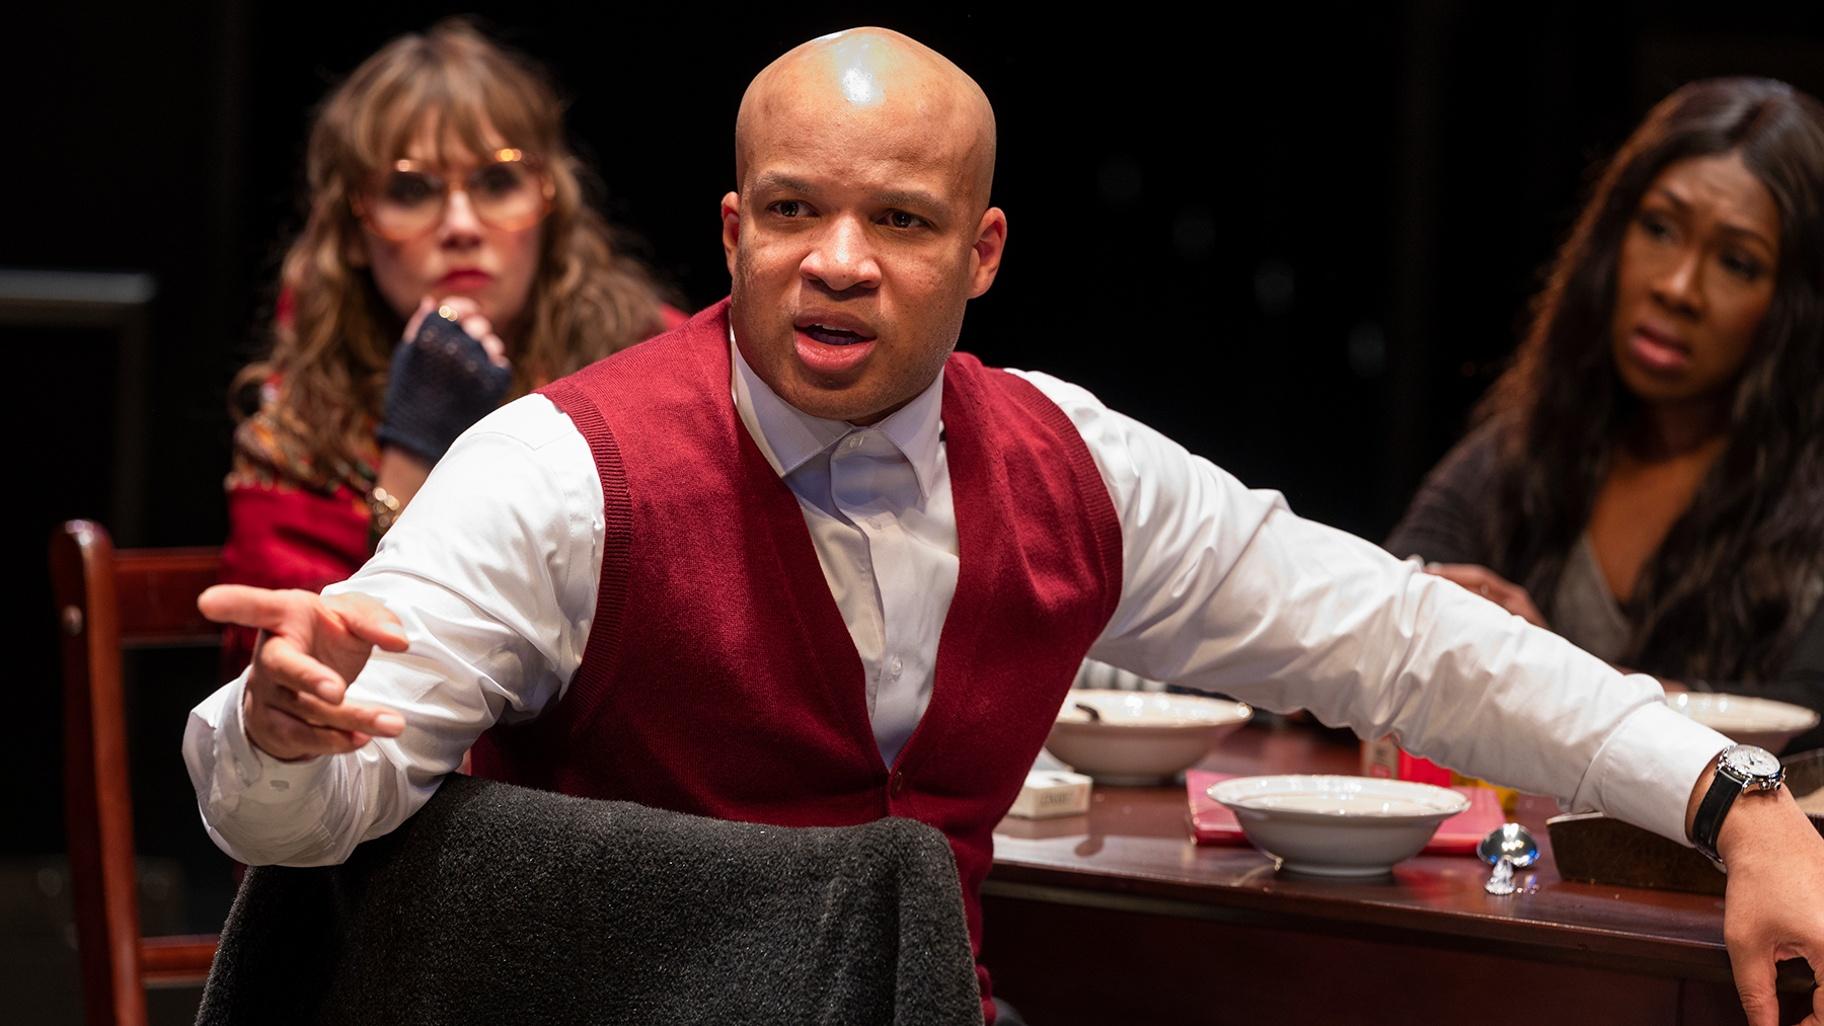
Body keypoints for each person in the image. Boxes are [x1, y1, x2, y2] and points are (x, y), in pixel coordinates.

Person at [185, 30, 1824, 1026]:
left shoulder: (1066, 462)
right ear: (730, 229)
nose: (837, 260)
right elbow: (304, 817)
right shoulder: (559, 468)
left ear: (977, 252)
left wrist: (1730, 803)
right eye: (794, 213)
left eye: (895, 221)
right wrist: (277, 739)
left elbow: (1389, 635)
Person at [219, 19, 677, 667]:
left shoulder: (649, 357)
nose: (461, 226)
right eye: (411, 191)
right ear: (352, 231)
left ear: (550, 203)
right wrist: (408, 465)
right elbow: (288, 684)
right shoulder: (298, 440)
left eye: (497, 182)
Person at [1386, 78, 1824, 753]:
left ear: (1796, 308)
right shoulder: (1525, 448)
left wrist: (1547, 670)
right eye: (1658, 229)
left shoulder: (1811, 498)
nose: (1677, 287)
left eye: (1737, 262)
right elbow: (1377, 612)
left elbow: (1802, 723)